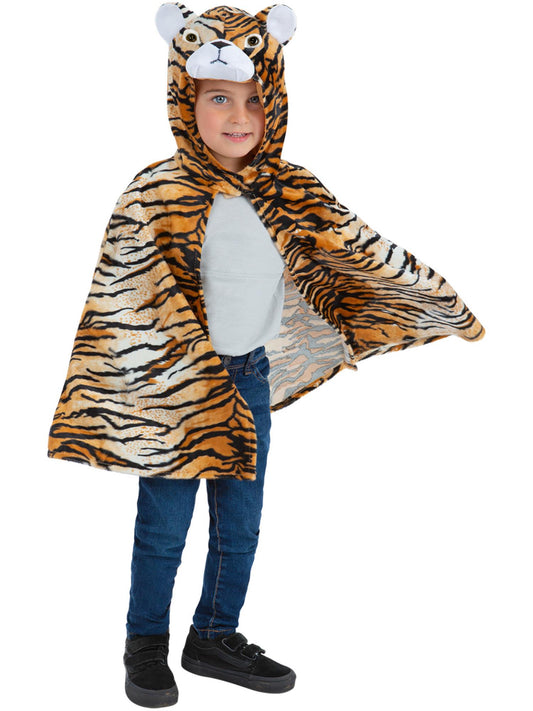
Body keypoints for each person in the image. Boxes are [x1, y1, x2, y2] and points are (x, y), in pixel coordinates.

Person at [48, 3, 484, 708]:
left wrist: (436, 299)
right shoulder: (156, 193)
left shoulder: (289, 189)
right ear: (185, 99)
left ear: (275, 100)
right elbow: (123, 295)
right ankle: (145, 643)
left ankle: (214, 635)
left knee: (240, 522)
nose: (239, 116)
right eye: (219, 98)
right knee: (162, 527)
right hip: (177, 383)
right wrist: (160, 379)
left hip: (247, 375)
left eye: (254, 99)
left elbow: (361, 249)